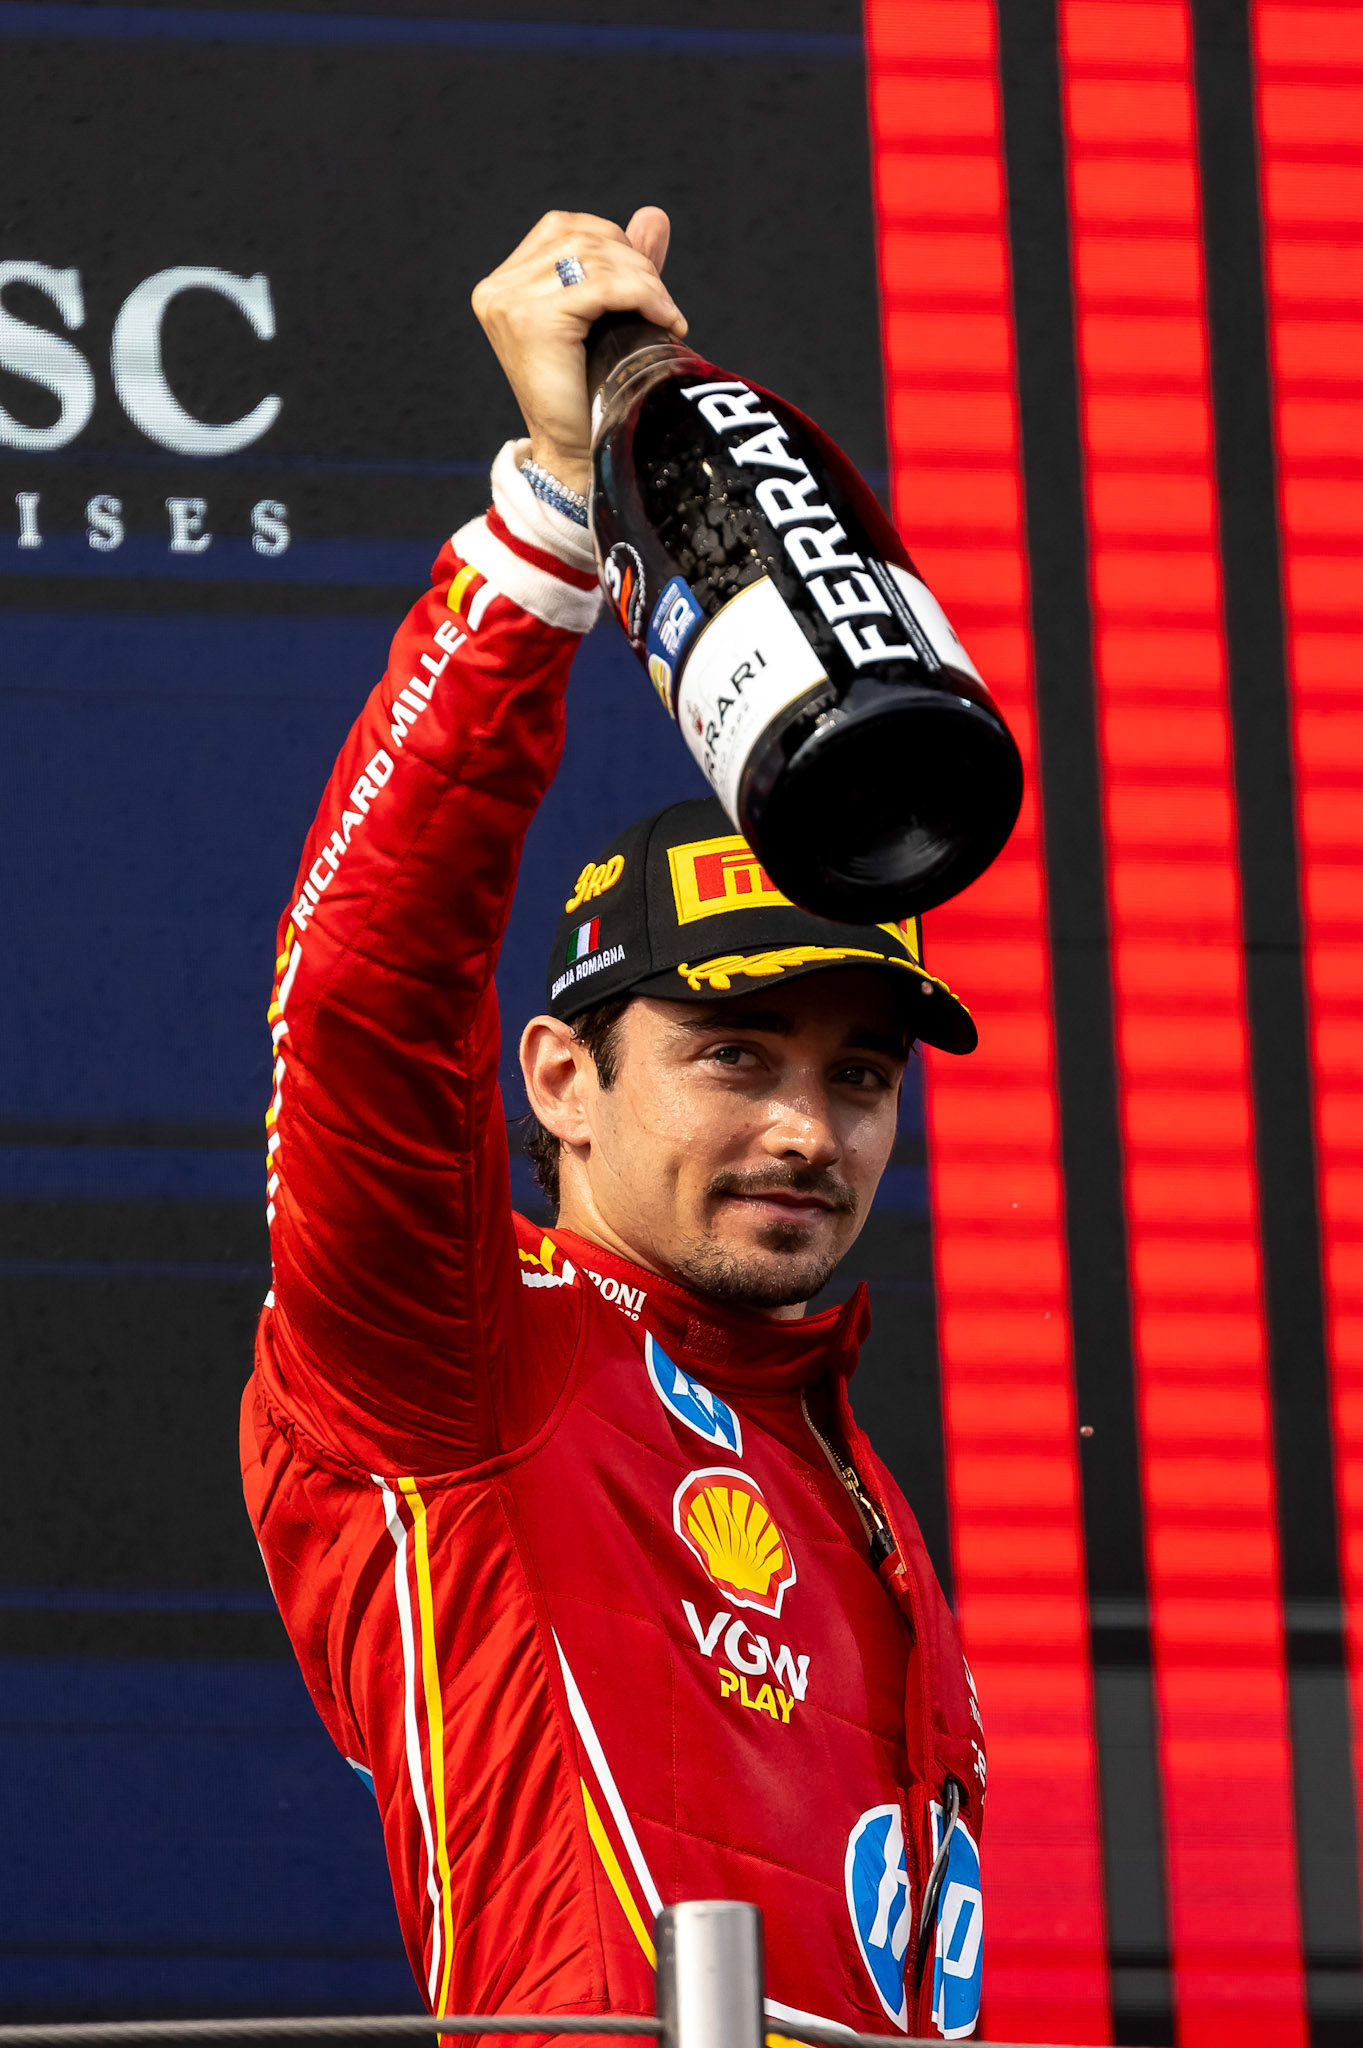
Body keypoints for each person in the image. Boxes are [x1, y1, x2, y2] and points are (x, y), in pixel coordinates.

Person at [242, 207, 987, 2043]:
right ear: (561, 1082)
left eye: (862, 1071)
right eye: (736, 1054)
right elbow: (362, 987)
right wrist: (552, 529)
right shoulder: (460, 1366)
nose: (812, 1127)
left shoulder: (847, 1471)